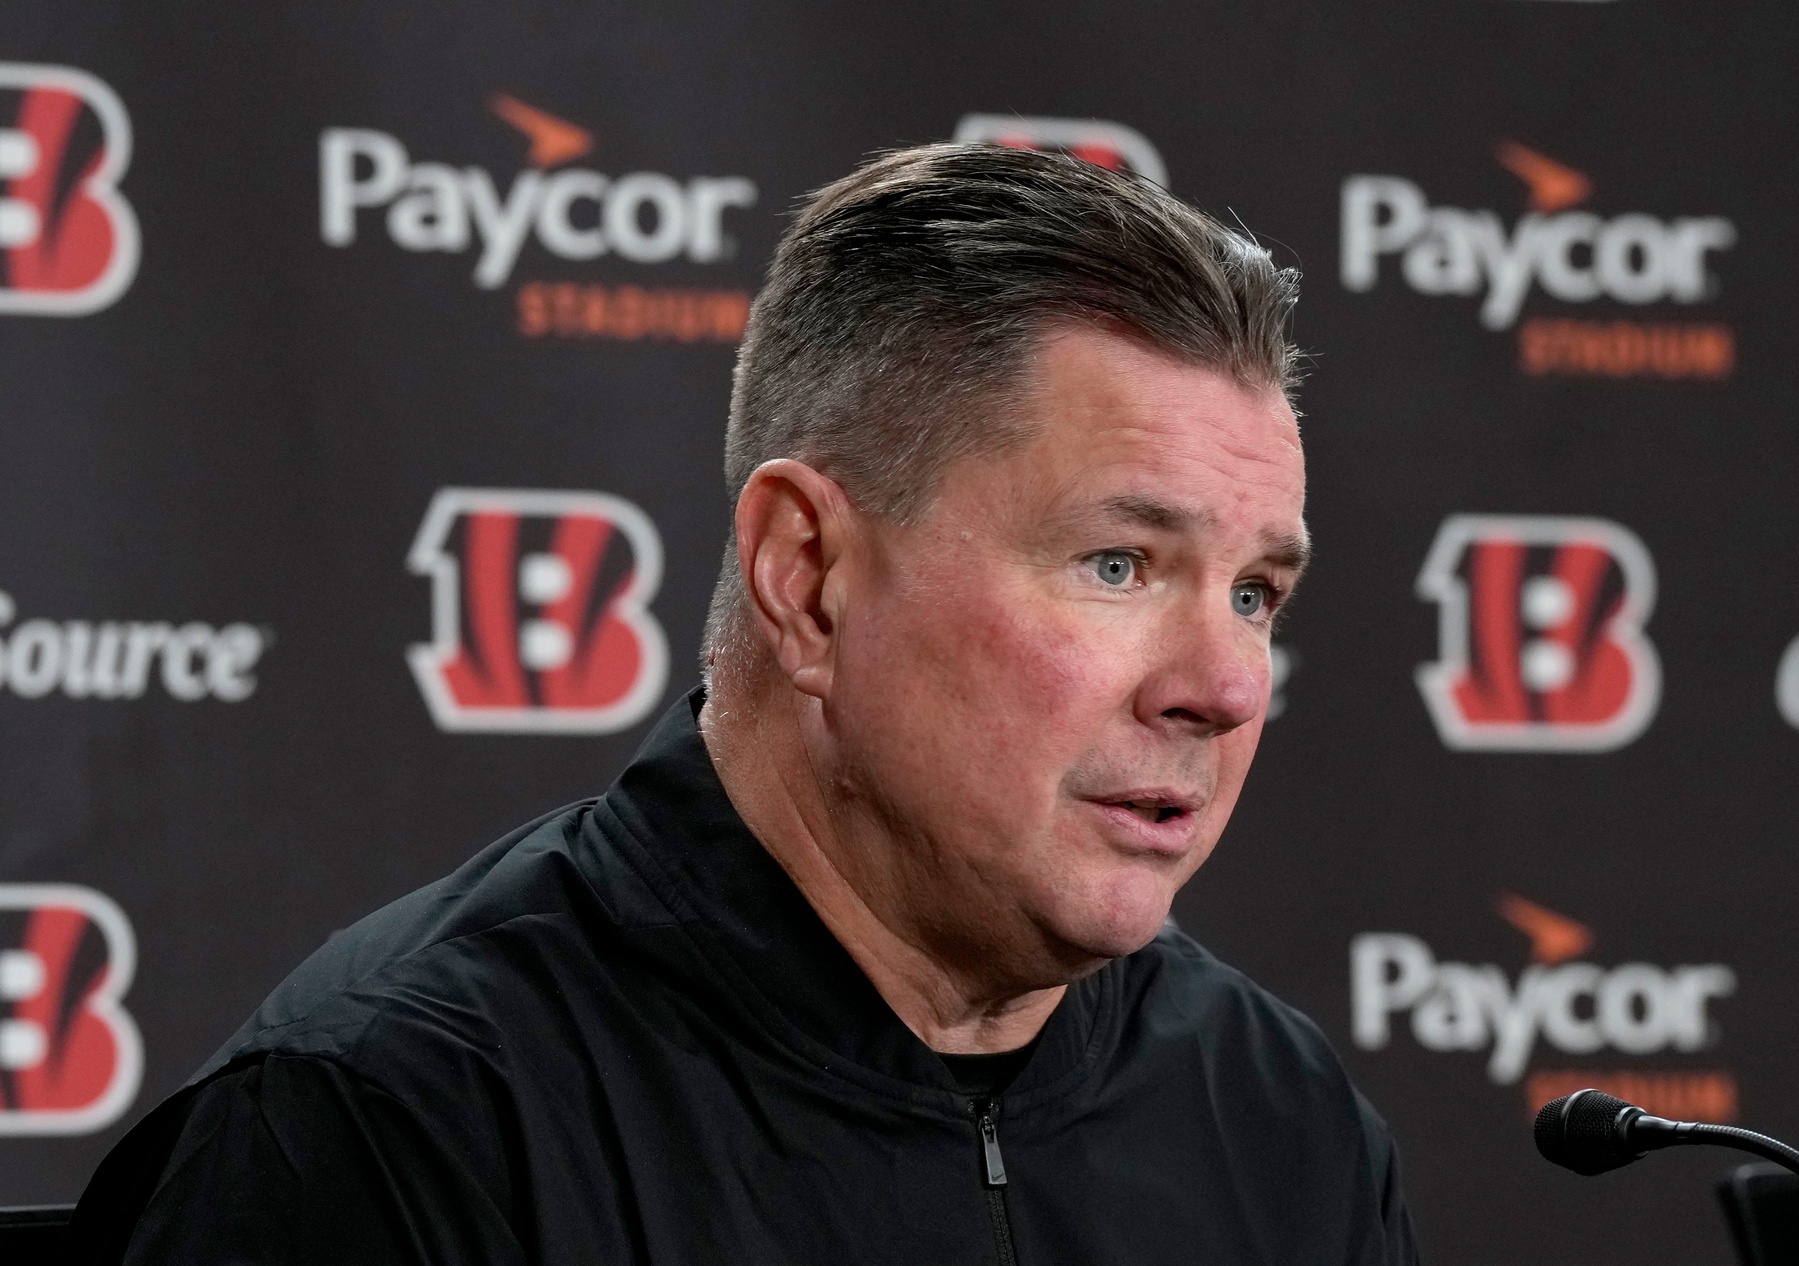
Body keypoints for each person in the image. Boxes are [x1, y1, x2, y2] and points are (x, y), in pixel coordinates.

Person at [71, 143, 1417, 1264]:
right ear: (809, 576)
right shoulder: (390, 1123)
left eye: (1255, 593)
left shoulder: (1280, 1121)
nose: (1228, 685)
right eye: (1117, 563)